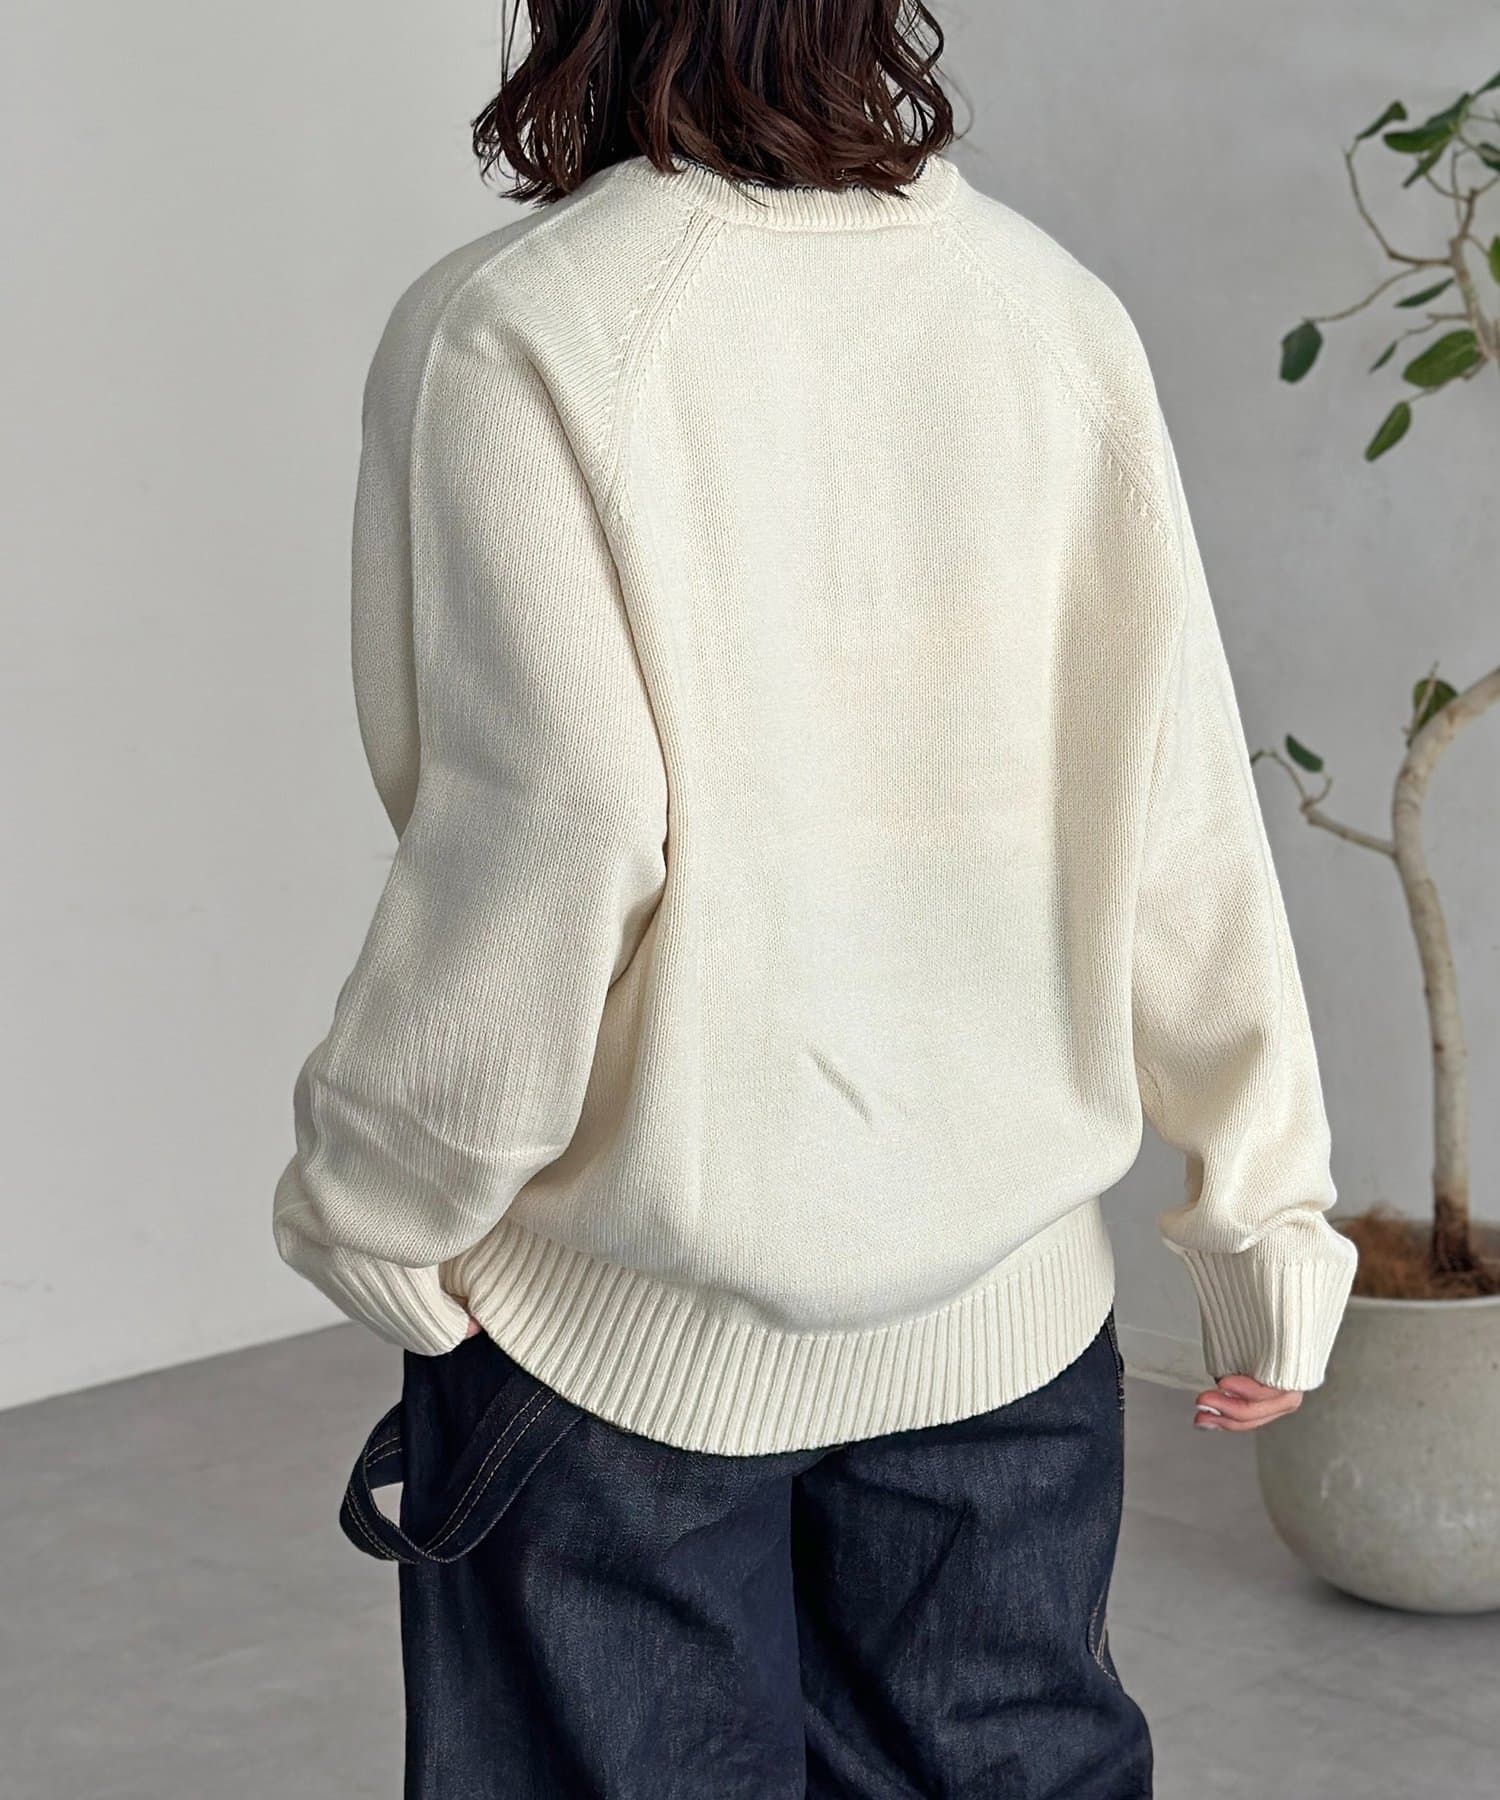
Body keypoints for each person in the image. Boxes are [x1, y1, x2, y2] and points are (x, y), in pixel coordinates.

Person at [272, 2, 1357, 1794]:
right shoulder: (1051, 313)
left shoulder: (522, 328)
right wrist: (1264, 1223)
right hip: (1007, 1318)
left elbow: (556, 827)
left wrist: (384, 1186)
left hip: (616, 1335)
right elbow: (1173, 804)